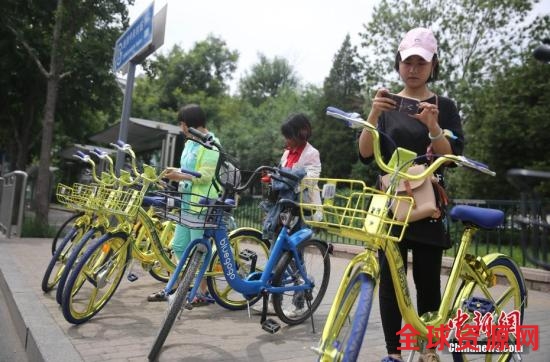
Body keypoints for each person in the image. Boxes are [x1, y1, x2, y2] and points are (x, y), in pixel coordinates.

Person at [357, 27, 464, 362]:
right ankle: (394, 353)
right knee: (390, 283)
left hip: (428, 205)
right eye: (408, 62)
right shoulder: (386, 106)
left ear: (433, 65)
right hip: (393, 205)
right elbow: (363, 153)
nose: (414, 69)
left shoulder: (444, 106)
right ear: (398, 64)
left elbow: (452, 156)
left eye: (422, 62)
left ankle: (428, 350)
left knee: (428, 281)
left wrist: (433, 126)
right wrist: (373, 115)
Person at [148, 104, 221, 305]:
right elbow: (186, 167)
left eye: (182, 124)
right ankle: (182, 286)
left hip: (201, 202)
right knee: (179, 245)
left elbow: (205, 176)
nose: (181, 128)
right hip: (186, 200)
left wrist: (178, 176)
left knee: (199, 248)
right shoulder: (190, 142)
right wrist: (175, 170)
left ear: (190, 124)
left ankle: (202, 292)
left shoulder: (212, 144)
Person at [253, 113, 322, 315]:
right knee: (275, 254)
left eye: (289, 136)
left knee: (295, 256)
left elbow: (309, 180)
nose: (287, 141)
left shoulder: (311, 153)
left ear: (301, 133)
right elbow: (282, 174)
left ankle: (299, 304)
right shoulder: (287, 153)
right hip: (282, 209)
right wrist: (273, 179)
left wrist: (283, 179)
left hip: (300, 209)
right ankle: (274, 301)